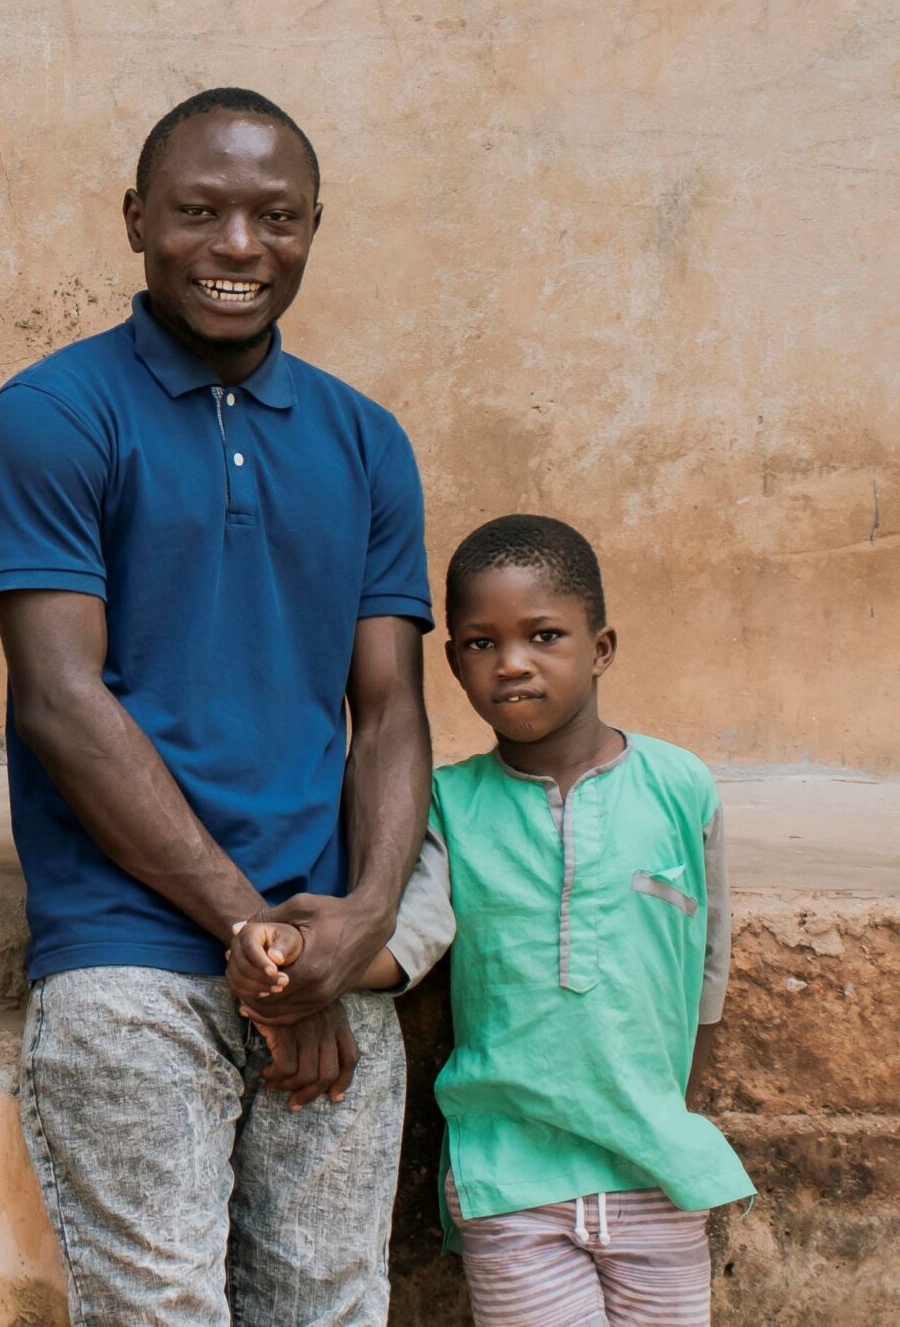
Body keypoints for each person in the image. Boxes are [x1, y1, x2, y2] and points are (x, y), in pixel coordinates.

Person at [0, 87, 445, 1325]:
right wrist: (257, 944)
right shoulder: (53, 416)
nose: (239, 246)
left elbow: (389, 709)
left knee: (330, 1309)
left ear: (311, 229)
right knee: (158, 1312)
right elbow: (62, 702)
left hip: (322, 955)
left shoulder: (365, 440)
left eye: (275, 217)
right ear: (136, 220)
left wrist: (357, 924)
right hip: (128, 961)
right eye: (200, 211)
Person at [233, 515, 750, 1325]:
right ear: (453, 665)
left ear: (601, 647)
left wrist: (675, 1109)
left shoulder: (681, 787)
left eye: (544, 635)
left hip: (657, 1168)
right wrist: (306, 952)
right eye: (480, 644)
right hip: (511, 1180)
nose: (512, 663)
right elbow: (407, 936)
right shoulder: (450, 801)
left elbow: (709, 964)